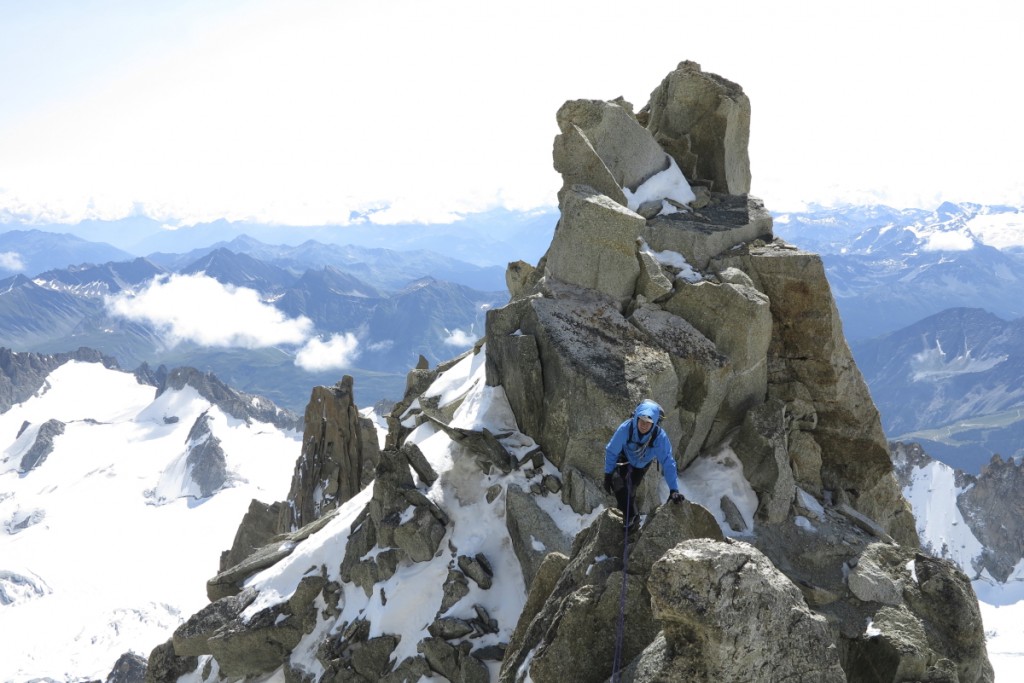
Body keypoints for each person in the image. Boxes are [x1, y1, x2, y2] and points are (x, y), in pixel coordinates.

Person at [603, 400, 684, 529]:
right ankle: (631, 517)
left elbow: (668, 462)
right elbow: (612, 451)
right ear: (636, 418)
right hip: (624, 458)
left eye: (648, 422)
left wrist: (674, 490)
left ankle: (630, 520)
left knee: (630, 490)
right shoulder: (626, 428)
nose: (644, 425)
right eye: (641, 420)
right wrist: (608, 474)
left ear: (655, 423)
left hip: (641, 466)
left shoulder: (659, 437)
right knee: (617, 482)